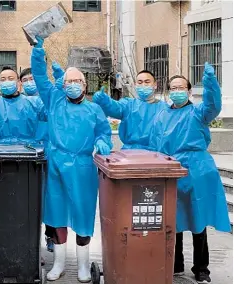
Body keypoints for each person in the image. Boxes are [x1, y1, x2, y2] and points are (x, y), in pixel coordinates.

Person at [31, 36, 113, 282]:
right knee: (57, 216)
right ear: (63, 85)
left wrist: (101, 143)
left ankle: (83, 265)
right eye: (69, 81)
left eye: (77, 81)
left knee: (83, 215)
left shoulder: (94, 110)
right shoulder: (54, 101)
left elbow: (104, 134)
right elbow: (40, 78)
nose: (73, 84)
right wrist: (38, 51)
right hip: (56, 165)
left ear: (84, 85)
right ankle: (58, 263)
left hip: (83, 168)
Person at [149, 63, 230, 284]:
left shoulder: (198, 112)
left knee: (198, 220)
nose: (176, 91)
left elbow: (213, 105)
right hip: (171, 168)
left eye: (181, 87)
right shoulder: (161, 116)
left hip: (197, 170)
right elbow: (155, 143)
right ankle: (175, 263)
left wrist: (211, 82)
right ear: (167, 91)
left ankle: (201, 268)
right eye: (173, 87)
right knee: (172, 220)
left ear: (189, 90)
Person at [19, 66, 63, 253]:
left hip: (48, 151)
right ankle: (27, 237)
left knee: (50, 196)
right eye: (26, 79)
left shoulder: (48, 100)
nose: (30, 82)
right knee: (28, 197)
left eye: (32, 78)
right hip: (27, 152)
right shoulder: (18, 102)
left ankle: (50, 235)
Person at [92, 70, 167, 150]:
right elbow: (115, 107)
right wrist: (105, 101)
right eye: (140, 82)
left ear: (155, 85)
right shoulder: (128, 104)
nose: (143, 85)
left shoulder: (165, 109)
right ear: (135, 85)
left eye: (147, 82)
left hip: (156, 154)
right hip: (130, 153)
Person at [0, 66, 47, 145]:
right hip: (0, 150)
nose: (7, 81)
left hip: (29, 149)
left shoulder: (34, 102)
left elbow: (52, 115)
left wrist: (54, 93)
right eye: (3, 80)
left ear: (18, 82)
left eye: (10, 79)